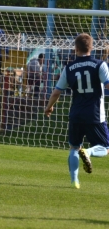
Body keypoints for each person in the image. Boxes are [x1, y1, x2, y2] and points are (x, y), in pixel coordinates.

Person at [44, 33, 109, 189]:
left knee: (74, 147)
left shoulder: (69, 67)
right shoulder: (100, 65)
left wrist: (49, 106)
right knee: (105, 148)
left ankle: (74, 181)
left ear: (76, 48)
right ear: (91, 47)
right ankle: (88, 152)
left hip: (76, 114)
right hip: (94, 114)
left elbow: (56, 92)